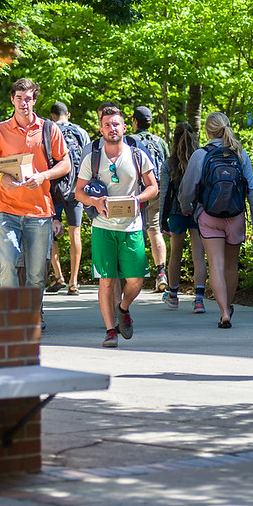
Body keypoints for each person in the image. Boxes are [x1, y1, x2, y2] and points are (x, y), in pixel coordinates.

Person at [0, 78, 70, 330]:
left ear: (34, 100)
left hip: (40, 212)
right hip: (8, 211)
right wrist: (0, 177)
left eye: (28, 98)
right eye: (19, 98)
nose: (23, 103)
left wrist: (43, 176)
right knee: (7, 266)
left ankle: (33, 314)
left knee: (37, 274)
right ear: (12, 100)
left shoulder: (49, 129)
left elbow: (66, 164)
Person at [76, 104, 158, 348]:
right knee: (107, 280)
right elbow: (78, 192)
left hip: (131, 226)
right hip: (103, 227)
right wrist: (94, 201)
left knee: (136, 280)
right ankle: (110, 330)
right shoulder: (93, 157)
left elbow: (153, 187)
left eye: (116, 124)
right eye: (107, 125)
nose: (112, 128)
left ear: (124, 127)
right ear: (100, 129)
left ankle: (123, 308)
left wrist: (137, 199)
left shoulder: (137, 155)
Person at [179, 112, 253, 329]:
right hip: (235, 216)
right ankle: (229, 305)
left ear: (207, 131)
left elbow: (187, 189)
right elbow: (251, 189)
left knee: (215, 264)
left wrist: (186, 207)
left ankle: (224, 311)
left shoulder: (200, 154)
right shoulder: (239, 153)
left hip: (208, 216)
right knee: (231, 266)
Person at [158, 122, 207, 313]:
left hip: (176, 213)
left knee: (175, 255)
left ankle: (173, 295)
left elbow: (165, 195)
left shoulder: (169, 164)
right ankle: (199, 300)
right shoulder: (201, 158)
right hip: (197, 213)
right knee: (198, 256)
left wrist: (163, 221)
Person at [47, 101, 90, 295]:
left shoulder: (48, 130)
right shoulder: (81, 132)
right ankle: (74, 281)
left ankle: (58, 276)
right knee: (75, 233)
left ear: (52, 116)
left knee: (50, 233)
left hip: (53, 189)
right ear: (69, 115)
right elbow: (89, 160)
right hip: (76, 190)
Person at [129, 106, 171, 293]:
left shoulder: (129, 140)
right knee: (155, 231)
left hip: (136, 192)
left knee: (134, 231)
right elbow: (169, 165)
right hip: (158, 190)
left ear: (135, 122)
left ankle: (135, 273)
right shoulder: (159, 141)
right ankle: (161, 273)